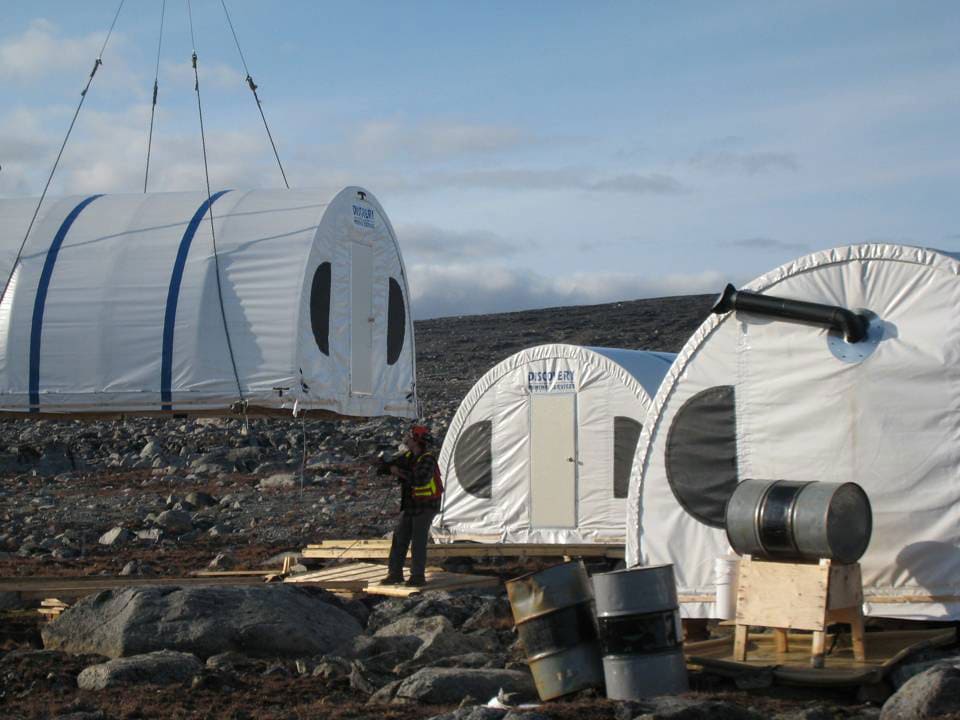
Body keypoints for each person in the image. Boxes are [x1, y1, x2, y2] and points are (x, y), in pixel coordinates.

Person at [381, 424, 443, 587]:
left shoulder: (427, 458)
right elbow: (391, 466)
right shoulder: (409, 456)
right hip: (410, 505)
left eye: (409, 437)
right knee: (399, 538)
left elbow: (420, 479)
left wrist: (399, 472)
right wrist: (385, 465)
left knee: (418, 541)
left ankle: (417, 576)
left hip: (426, 505)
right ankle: (395, 574)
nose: (406, 439)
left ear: (416, 440)